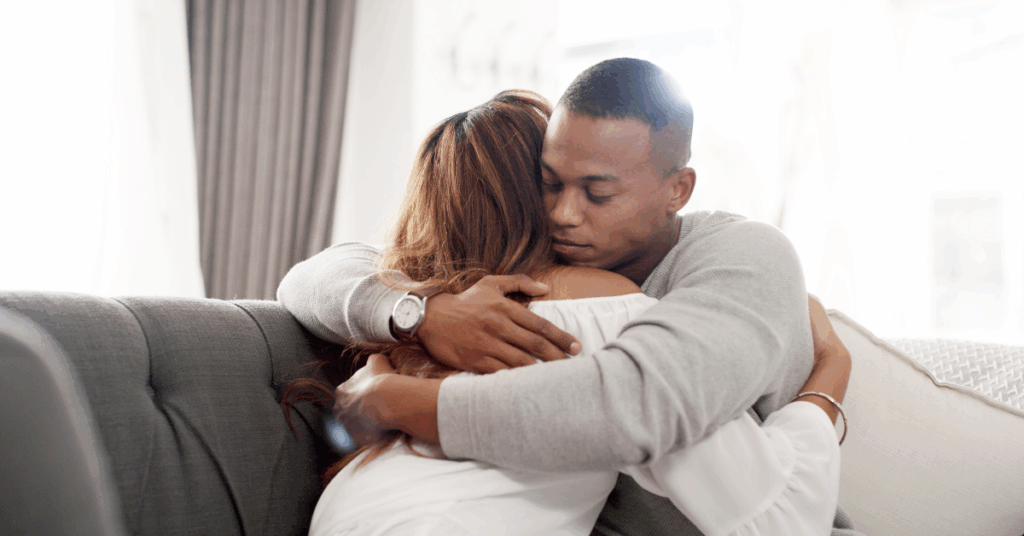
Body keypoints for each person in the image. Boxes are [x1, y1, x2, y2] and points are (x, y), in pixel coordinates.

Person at [279, 59, 860, 534]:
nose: (563, 213)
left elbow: (638, 403)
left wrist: (394, 399)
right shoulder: (496, 294)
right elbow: (312, 276)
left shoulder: (737, 260)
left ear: (677, 189)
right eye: (550, 184)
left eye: (596, 193)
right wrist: (420, 313)